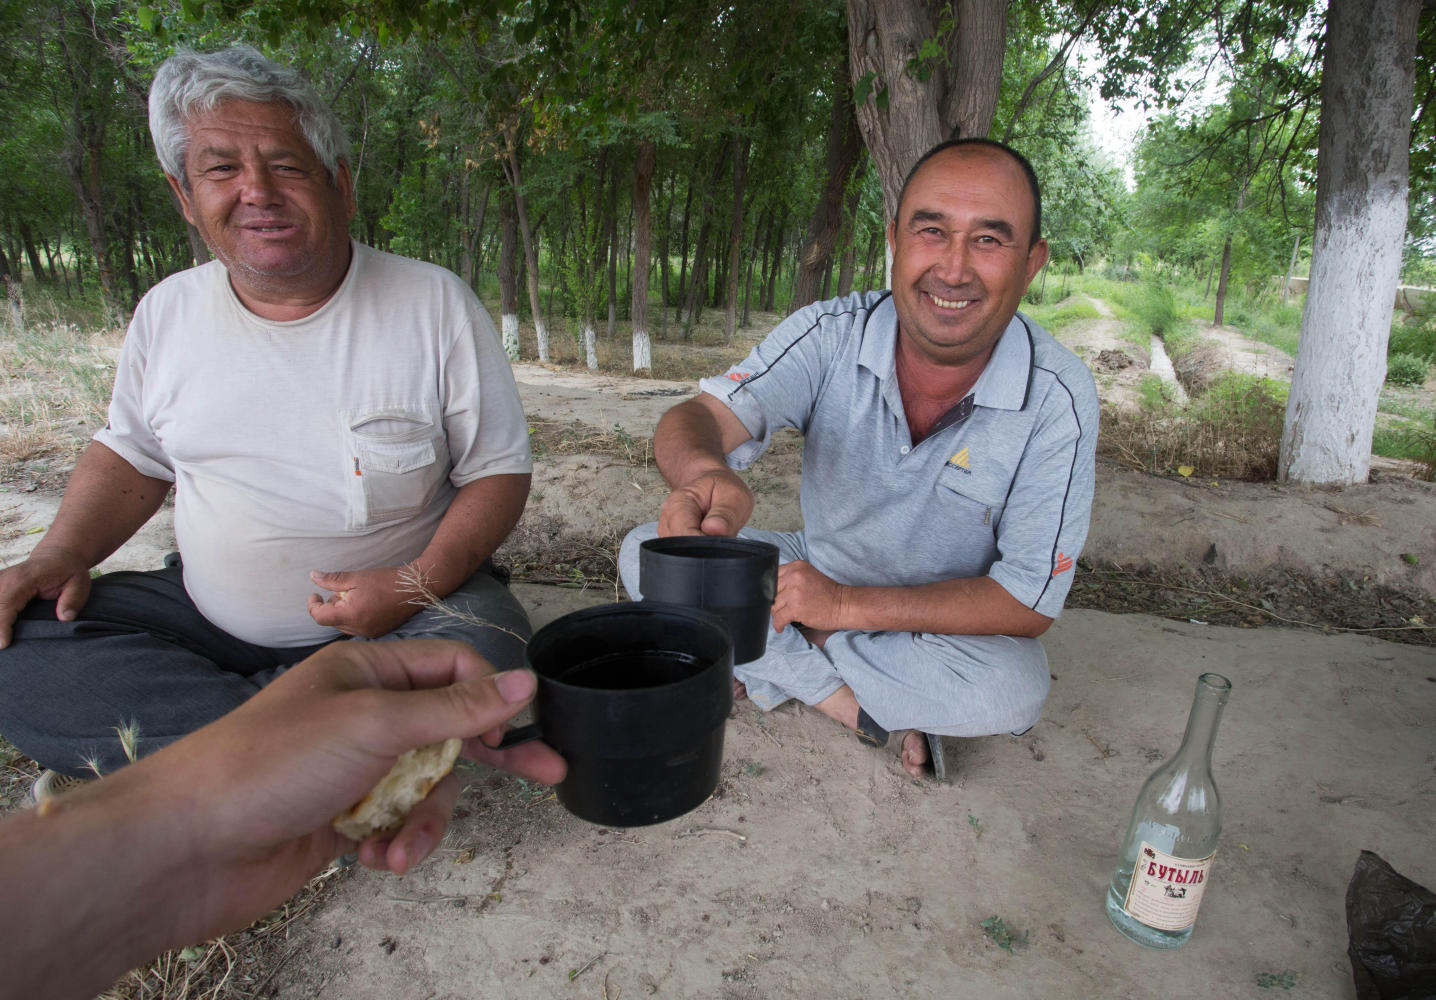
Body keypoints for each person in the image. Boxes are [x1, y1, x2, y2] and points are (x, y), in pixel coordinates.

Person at [0, 46, 533, 792]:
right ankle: (322, 756)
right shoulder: (167, 313)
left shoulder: (433, 304)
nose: (257, 192)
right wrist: (58, 555)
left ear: (339, 184)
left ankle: (244, 762)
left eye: (286, 165)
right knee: (19, 647)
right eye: (221, 169)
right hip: (203, 618)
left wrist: (413, 586)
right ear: (184, 196)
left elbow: (497, 473)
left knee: (488, 647)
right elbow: (134, 457)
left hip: (409, 613)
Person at [619, 138, 1099, 780]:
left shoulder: (1057, 397)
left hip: (939, 624)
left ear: (1033, 261)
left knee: (1012, 689)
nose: (953, 270)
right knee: (645, 551)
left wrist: (840, 610)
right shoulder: (828, 334)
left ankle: (773, 657)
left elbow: (1027, 602)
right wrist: (705, 475)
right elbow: (697, 417)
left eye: (989, 240)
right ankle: (851, 706)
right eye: (932, 231)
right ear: (895, 239)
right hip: (812, 568)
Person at [0, 638, 566, 1000]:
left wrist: (178, 821)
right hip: (190, 610)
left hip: (414, 616)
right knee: (20, 659)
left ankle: (255, 728)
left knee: (481, 643)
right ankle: (275, 724)